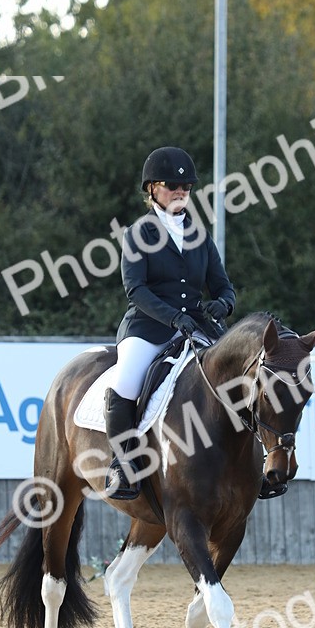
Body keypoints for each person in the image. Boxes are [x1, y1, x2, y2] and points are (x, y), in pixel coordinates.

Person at [104, 146, 236, 500]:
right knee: (126, 383)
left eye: (187, 187)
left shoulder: (199, 235)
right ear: (152, 189)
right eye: (171, 185)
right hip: (148, 328)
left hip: (196, 327)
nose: (180, 192)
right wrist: (174, 318)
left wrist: (223, 304)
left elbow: (223, 285)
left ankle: (248, 463)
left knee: (237, 379)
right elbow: (136, 290)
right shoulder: (138, 234)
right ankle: (122, 465)